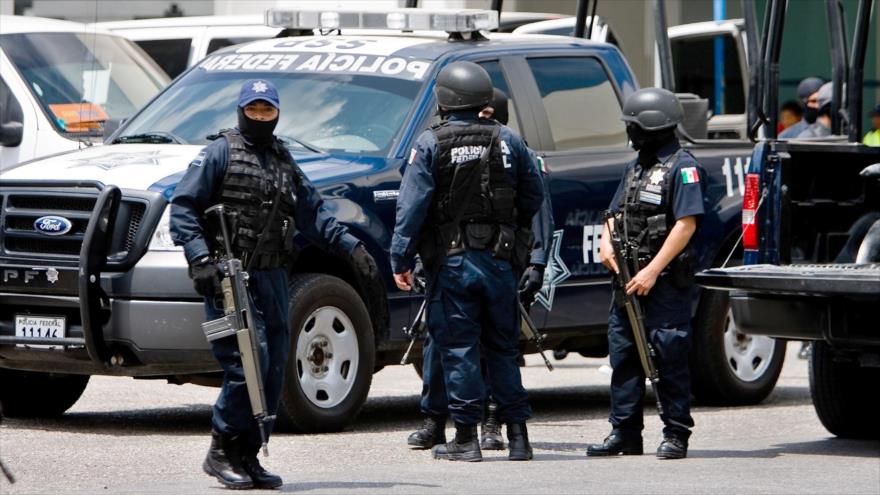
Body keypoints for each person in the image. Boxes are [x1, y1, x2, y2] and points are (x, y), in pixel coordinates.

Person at [170, 79, 378, 489]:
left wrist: (352, 248)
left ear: (277, 114)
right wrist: (200, 260)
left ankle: (248, 454)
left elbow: (315, 215)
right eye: (253, 110)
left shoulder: (283, 160)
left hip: (273, 278)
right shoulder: (220, 152)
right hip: (230, 277)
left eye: (267, 111)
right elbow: (183, 207)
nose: (260, 117)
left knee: (272, 368)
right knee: (247, 362)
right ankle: (221, 448)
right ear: (240, 111)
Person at [392, 62, 544, 462]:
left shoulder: (430, 143)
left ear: (445, 99)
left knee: (458, 349)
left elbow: (411, 208)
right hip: (499, 263)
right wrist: (512, 239)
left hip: (454, 263)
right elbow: (533, 196)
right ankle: (518, 439)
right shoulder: (509, 139)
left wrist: (400, 257)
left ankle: (465, 438)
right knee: (503, 349)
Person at [587, 87, 707, 460]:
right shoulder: (636, 166)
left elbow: (685, 224)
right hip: (627, 279)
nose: (631, 133)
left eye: (635, 126)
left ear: (654, 125)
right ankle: (624, 433)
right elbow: (614, 214)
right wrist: (606, 244)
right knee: (624, 355)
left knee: (667, 354)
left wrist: (654, 271)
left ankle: (676, 433)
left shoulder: (683, 167)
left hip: (664, 281)